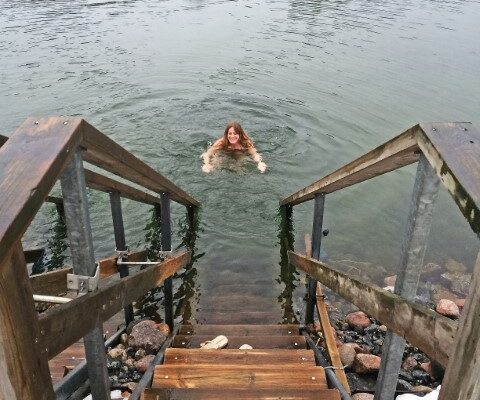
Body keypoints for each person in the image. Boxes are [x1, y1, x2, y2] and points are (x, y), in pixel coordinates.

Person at [201, 121, 267, 173]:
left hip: (240, 153)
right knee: (215, 163)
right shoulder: (221, 142)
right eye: (230, 133)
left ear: (240, 134)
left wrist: (260, 163)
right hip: (224, 153)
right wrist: (206, 164)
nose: (232, 136)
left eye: (235, 133)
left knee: (241, 165)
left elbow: (255, 154)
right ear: (226, 134)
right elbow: (207, 154)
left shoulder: (246, 143)